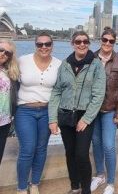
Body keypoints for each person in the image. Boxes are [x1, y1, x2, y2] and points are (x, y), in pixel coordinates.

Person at [48, 31, 106, 194]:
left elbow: (98, 95)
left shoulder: (96, 65)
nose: (82, 44)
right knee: (70, 153)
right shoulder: (65, 64)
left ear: (89, 43)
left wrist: (86, 118)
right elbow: (56, 92)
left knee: (81, 154)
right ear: (72, 43)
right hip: (66, 113)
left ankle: (86, 190)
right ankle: (75, 187)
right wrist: (52, 119)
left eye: (85, 41)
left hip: (84, 115)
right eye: (78, 41)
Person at [15, 32, 61, 194]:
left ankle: (34, 183)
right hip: (25, 111)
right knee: (27, 149)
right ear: (35, 45)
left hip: (47, 111)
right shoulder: (22, 61)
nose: (44, 47)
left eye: (47, 44)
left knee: (41, 149)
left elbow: (61, 90)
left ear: (52, 45)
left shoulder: (59, 64)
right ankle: (21, 187)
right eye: (40, 44)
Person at [90, 27, 118, 194]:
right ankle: (100, 175)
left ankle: (111, 182)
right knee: (96, 144)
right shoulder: (90, 58)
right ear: (101, 40)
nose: (107, 43)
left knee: (108, 145)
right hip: (92, 111)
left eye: (111, 41)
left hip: (110, 110)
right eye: (104, 40)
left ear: (114, 42)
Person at [0, 39, 20, 165]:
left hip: (4, 121)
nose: (3, 54)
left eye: (7, 53)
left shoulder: (8, 72)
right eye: (1, 50)